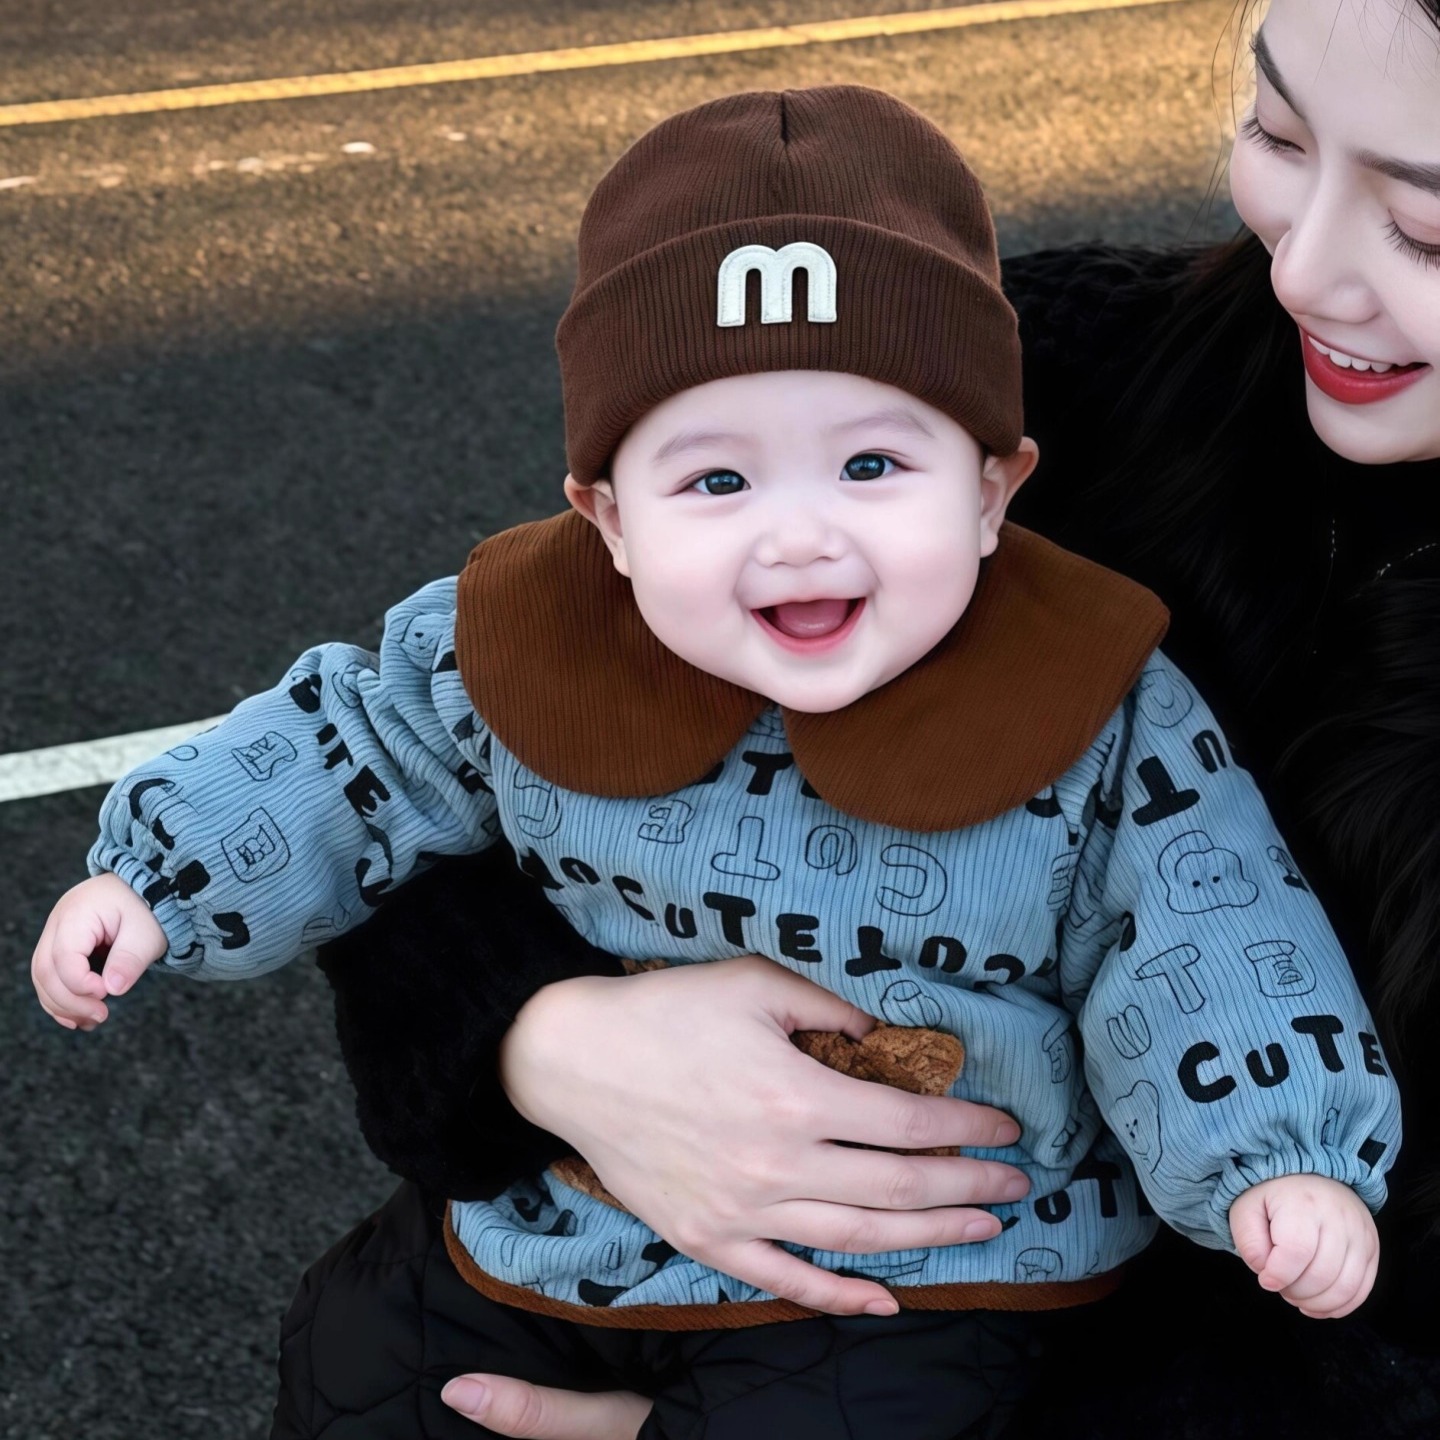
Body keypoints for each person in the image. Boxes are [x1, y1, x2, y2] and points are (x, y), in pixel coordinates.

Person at [29, 84, 1400, 1439]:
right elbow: (348, 745)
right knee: (354, 1352)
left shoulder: (1097, 697)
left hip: (934, 1276)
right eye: (717, 484)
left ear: (995, 490)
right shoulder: (510, 636)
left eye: (873, 467)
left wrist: (1278, 1164)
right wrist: (160, 875)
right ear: (605, 516)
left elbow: (1208, 926)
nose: (799, 538)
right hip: (577, 1216)